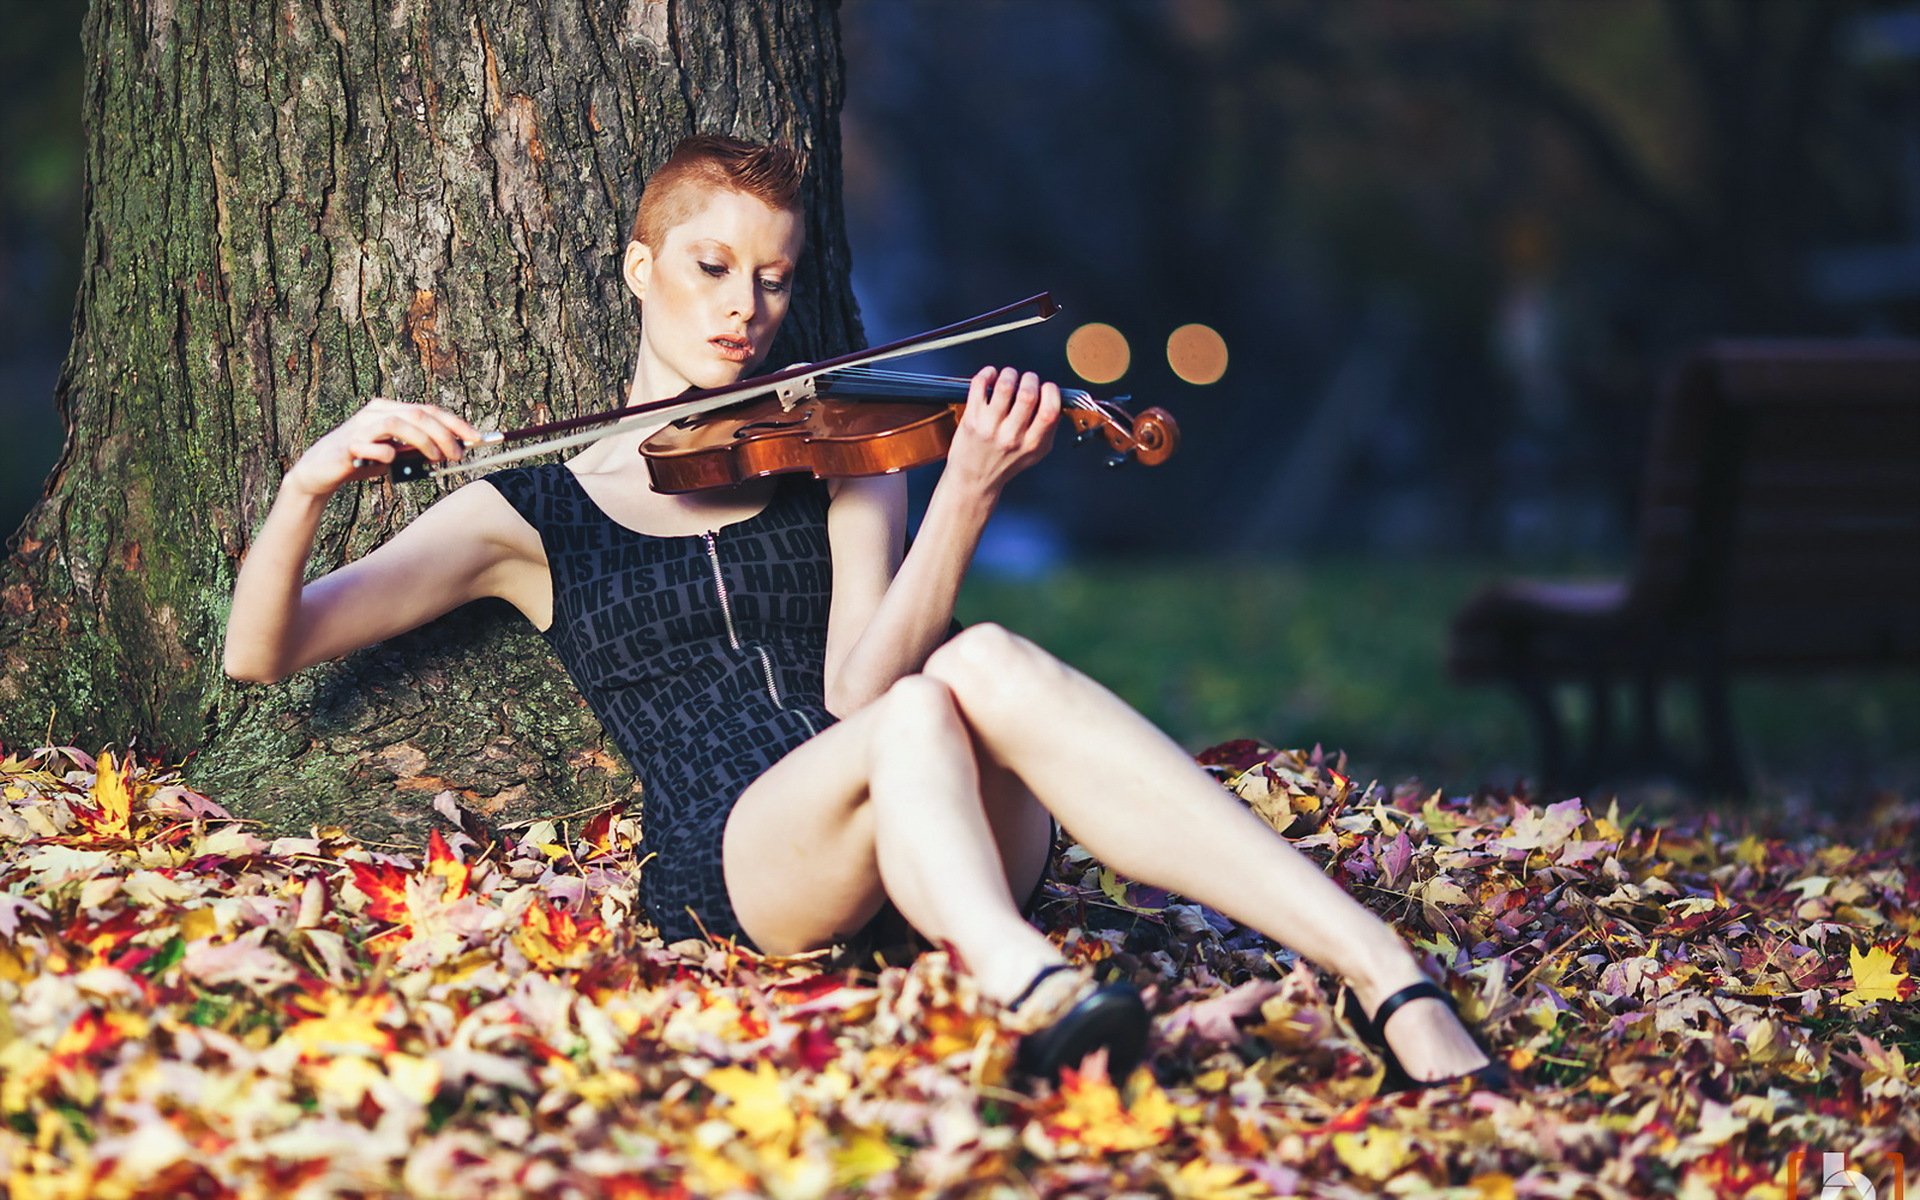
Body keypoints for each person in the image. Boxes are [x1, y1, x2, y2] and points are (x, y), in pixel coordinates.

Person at [224, 134, 1507, 1091]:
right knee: (914, 717)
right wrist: (306, 487)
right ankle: (1037, 992)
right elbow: (260, 652)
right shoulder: (527, 514)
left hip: (933, 806)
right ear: (639, 269)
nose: (746, 308)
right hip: (754, 854)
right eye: (712, 268)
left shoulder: (841, 450)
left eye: (774, 279)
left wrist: (964, 495)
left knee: (979, 660)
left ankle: (1384, 974)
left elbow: (860, 684)